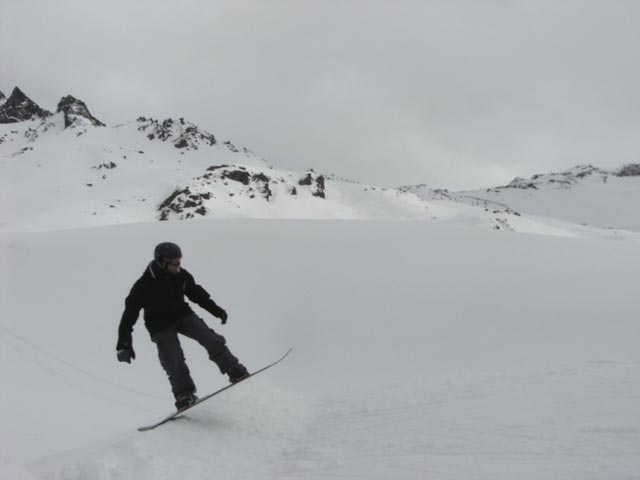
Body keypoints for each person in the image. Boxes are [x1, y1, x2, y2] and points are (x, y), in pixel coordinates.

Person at [116, 242, 249, 411]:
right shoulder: (143, 285)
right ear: (162, 262)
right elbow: (129, 316)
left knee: (211, 339)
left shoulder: (180, 275)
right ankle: (184, 394)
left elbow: (196, 293)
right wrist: (124, 344)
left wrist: (217, 311)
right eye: (175, 263)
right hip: (160, 326)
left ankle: (235, 370)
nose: (178, 266)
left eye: (180, 262)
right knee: (173, 358)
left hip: (183, 315)